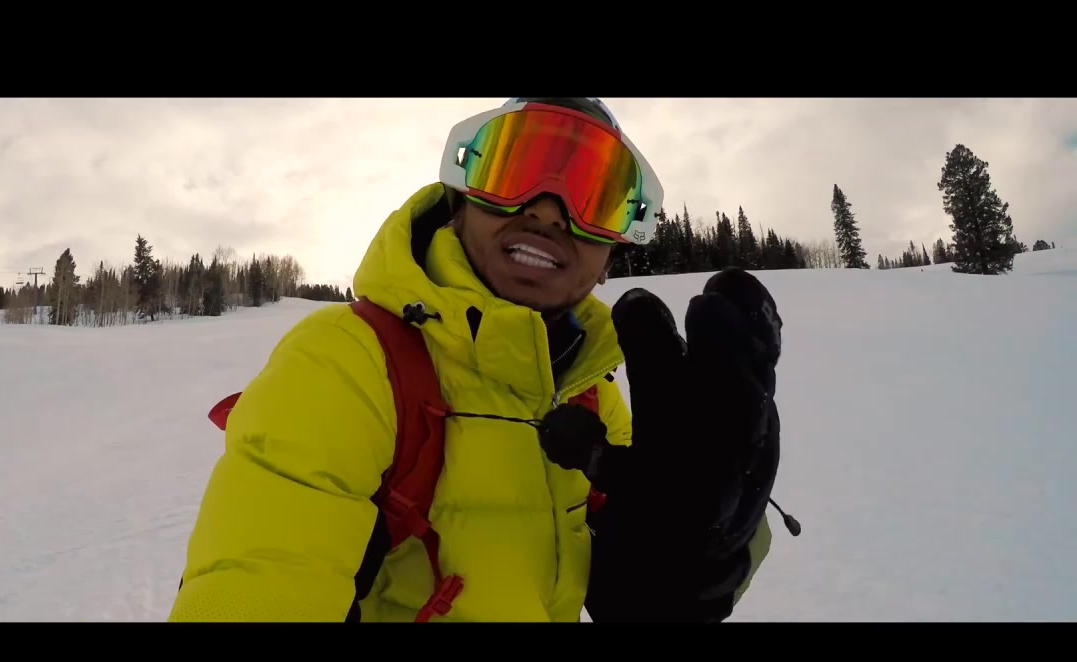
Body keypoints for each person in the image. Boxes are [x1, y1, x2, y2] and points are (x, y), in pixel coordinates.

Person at [168, 97, 792, 623]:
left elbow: (627, 581)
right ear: (460, 202)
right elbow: (256, 580)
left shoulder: (590, 392)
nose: (547, 210)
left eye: (592, 197)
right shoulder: (347, 360)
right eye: (513, 170)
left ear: (611, 255)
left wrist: (692, 565)